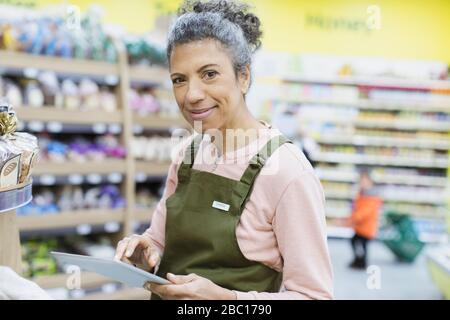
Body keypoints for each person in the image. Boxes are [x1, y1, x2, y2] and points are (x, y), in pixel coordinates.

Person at [115, 0, 333, 300]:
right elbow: (159, 239)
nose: (191, 95)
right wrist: (147, 249)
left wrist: (225, 301)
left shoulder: (287, 172)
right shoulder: (187, 155)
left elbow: (314, 296)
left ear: (243, 76)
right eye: (179, 80)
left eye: (209, 74)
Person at [349, 169, 382, 270]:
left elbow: (366, 211)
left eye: (364, 181)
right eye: (361, 181)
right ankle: (358, 260)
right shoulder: (362, 193)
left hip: (367, 226)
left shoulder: (372, 196)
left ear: (370, 182)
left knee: (361, 244)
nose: (362, 183)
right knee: (355, 241)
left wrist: (355, 217)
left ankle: (362, 262)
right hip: (360, 226)